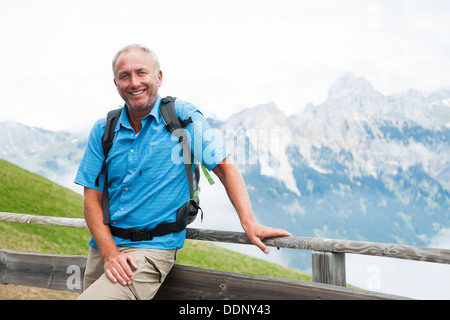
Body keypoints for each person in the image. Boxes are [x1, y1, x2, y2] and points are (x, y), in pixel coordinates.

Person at [74, 44, 292, 300]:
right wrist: (110, 253)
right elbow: (91, 200)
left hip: (152, 249)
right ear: (116, 83)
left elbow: (224, 167)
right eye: (125, 76)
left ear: (159, 77)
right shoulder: (104, 129)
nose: (134, 82)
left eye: (141, 73)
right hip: (103, 249)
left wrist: (249, 222)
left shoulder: (181, 117)